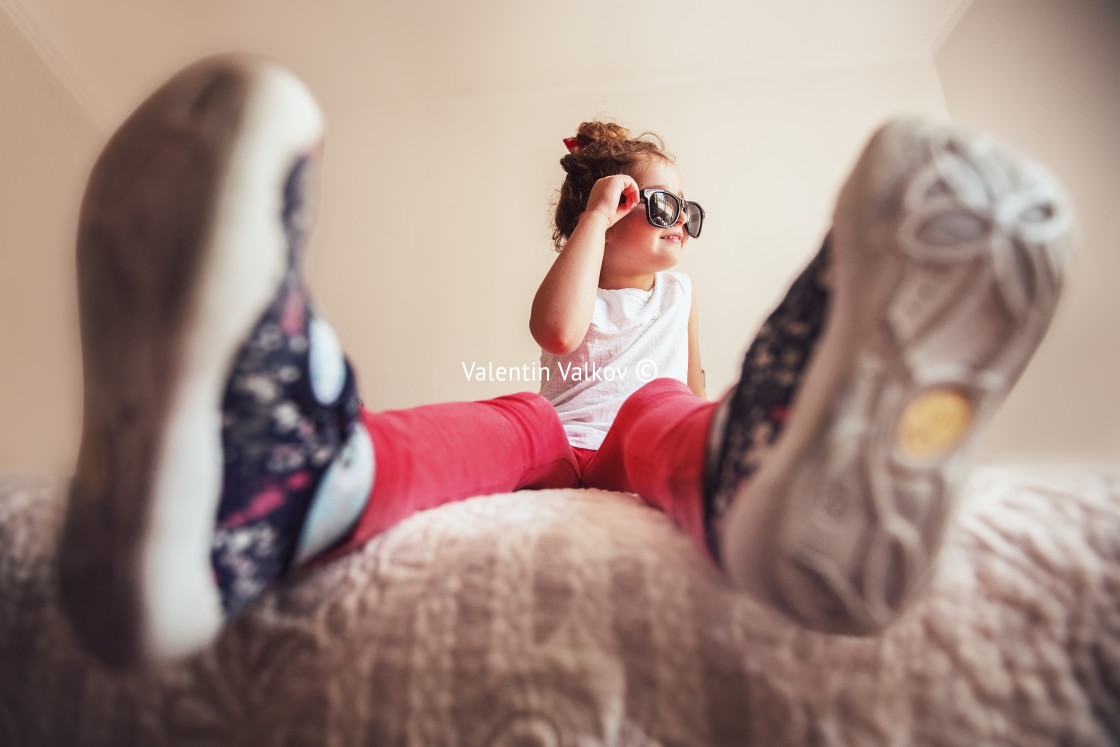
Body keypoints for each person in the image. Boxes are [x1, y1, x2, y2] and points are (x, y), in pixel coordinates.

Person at [56, 54, 1072, 670]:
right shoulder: (584, 266)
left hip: (640, 427)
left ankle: (756, 466)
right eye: (655, 206)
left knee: (672, 417)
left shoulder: (677, 292)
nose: (676, 226)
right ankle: (287, 485)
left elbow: (690, 369)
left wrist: (714, 406)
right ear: (609, 213)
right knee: (493, 425)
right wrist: (592, 217)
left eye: (687, 211)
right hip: (558, 431)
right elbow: (552, 335)